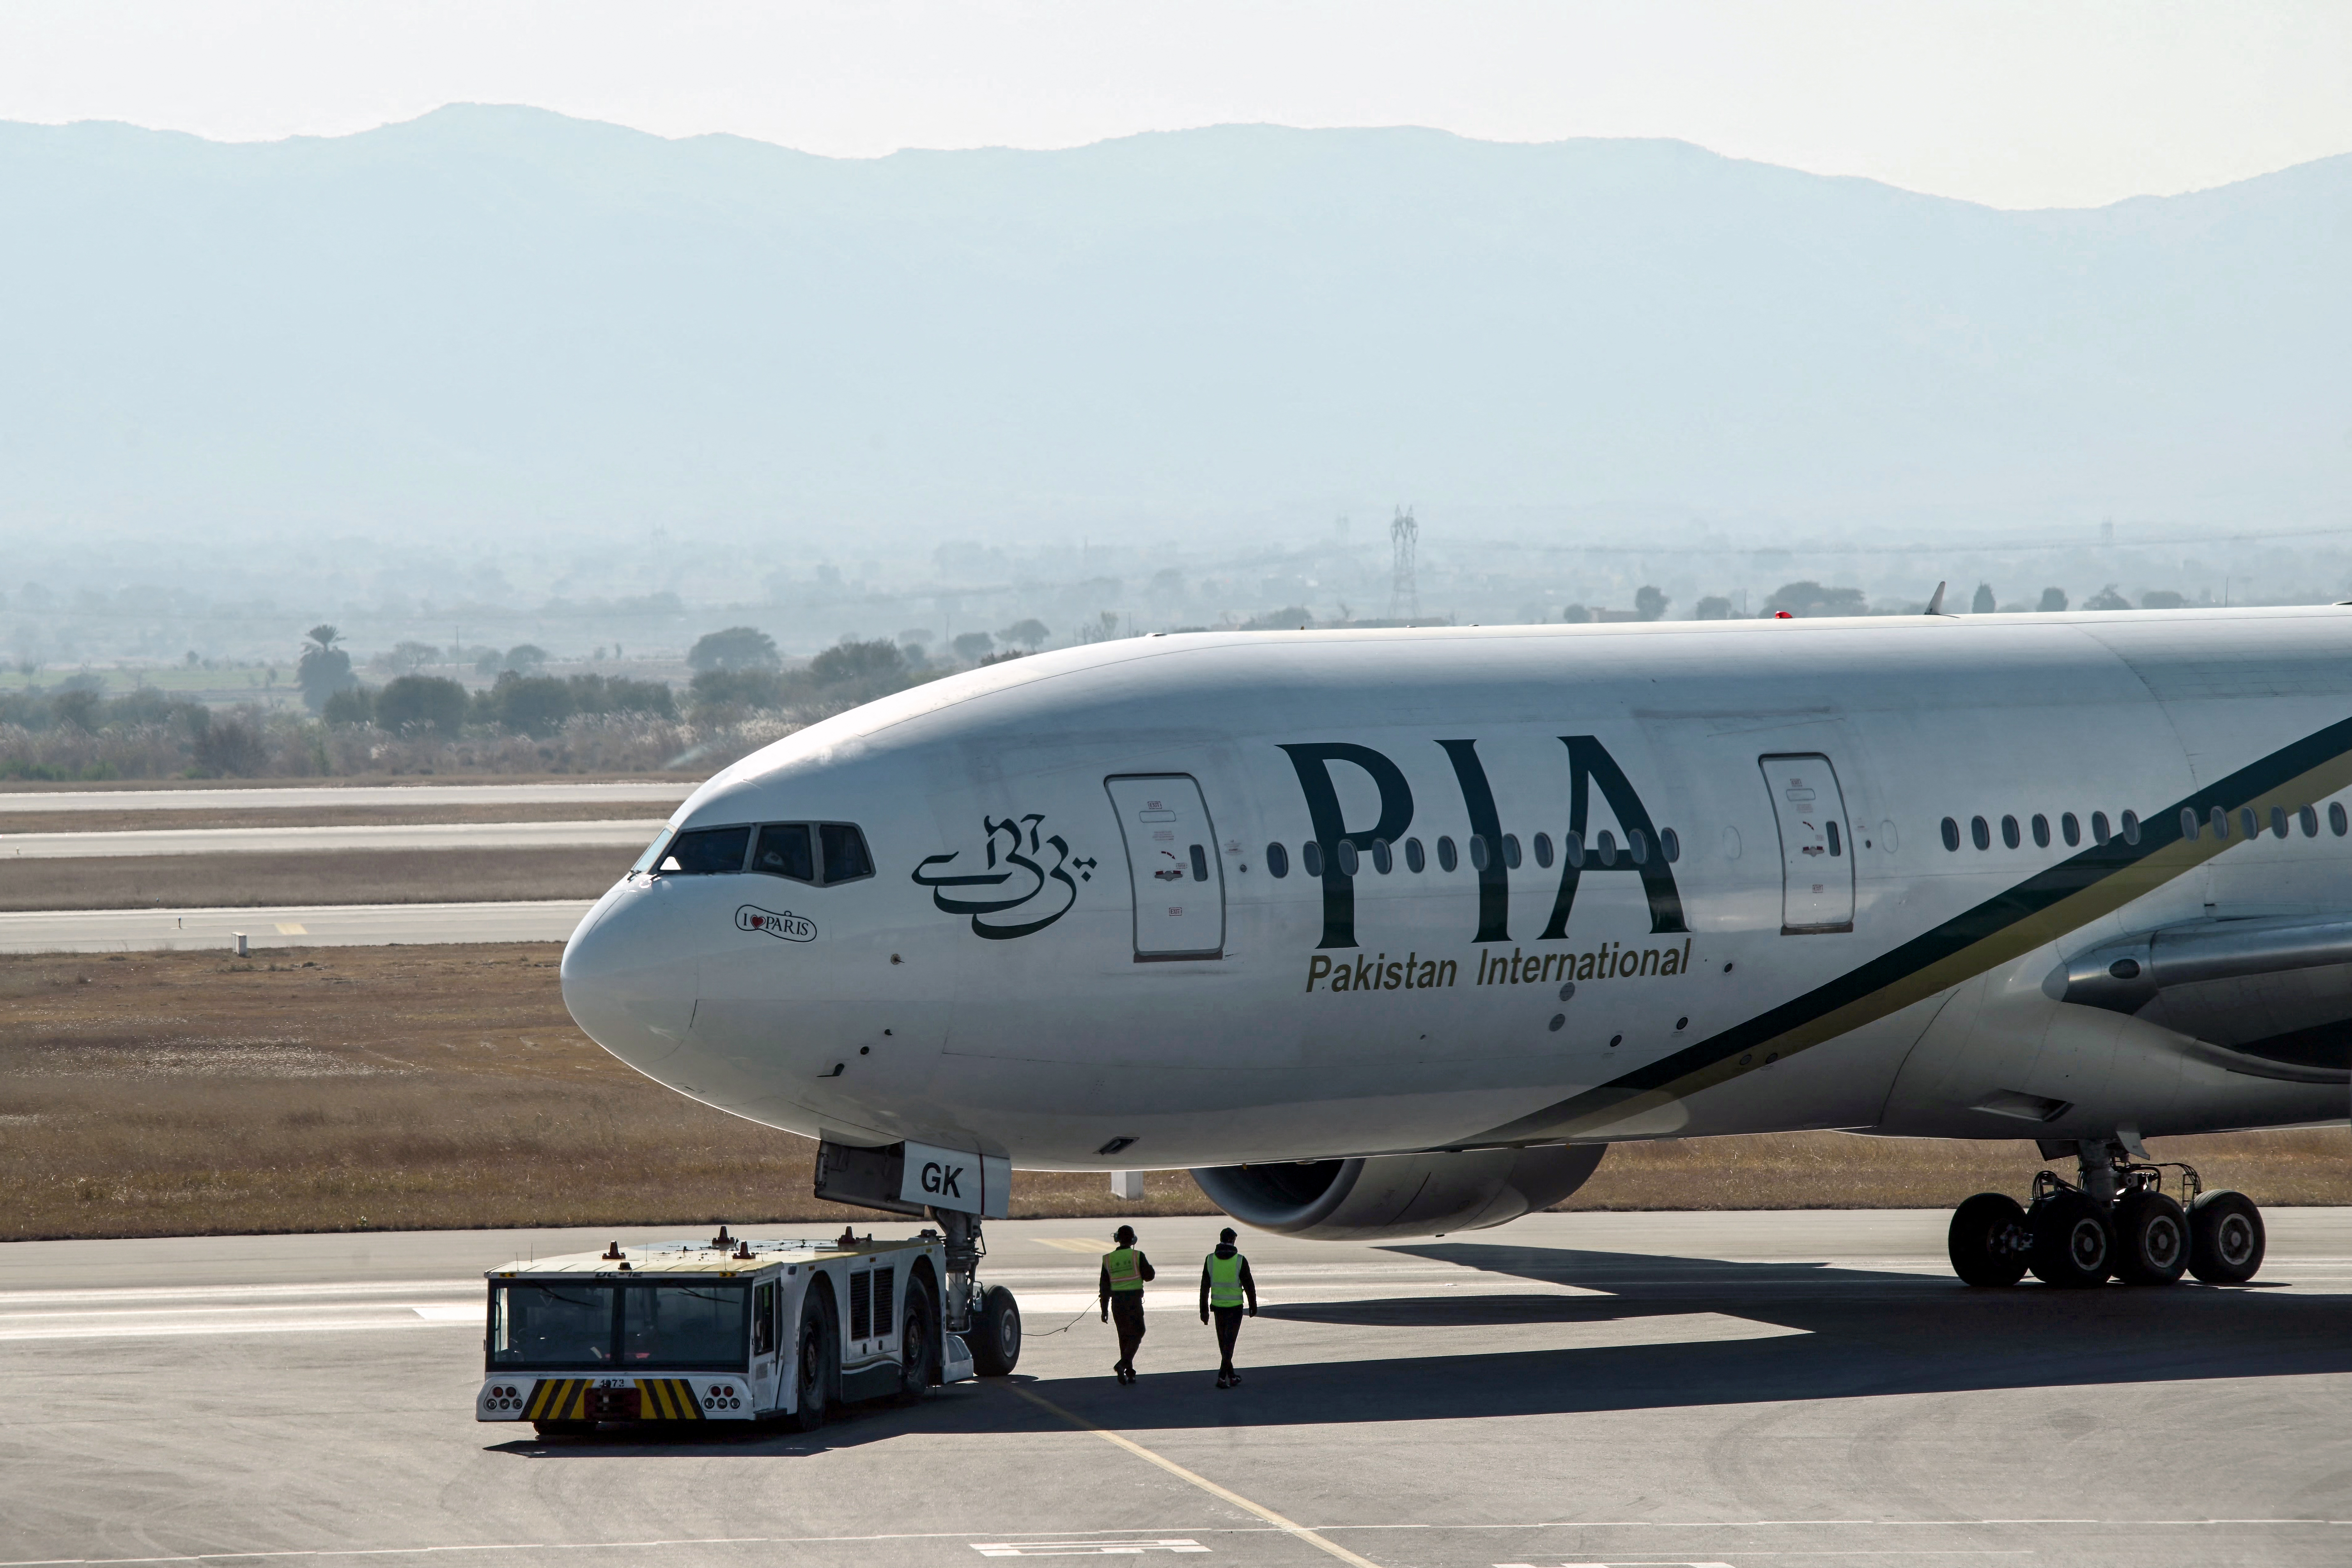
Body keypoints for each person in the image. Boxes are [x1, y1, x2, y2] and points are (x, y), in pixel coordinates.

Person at [1198, 1227, 1258, 1388]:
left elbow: (1204, 1287)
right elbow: (1249, 1285)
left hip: (1218, 1308)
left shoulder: (1210, 1260)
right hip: (1235, 1308)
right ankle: (1222, 1377)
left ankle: (1231, 1377)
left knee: (1224, 1344)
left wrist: (1204, 1311)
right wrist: (1253, 1305)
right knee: (1229, 1344)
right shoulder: (1240, 1260)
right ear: (1233, 1241)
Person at [1098, 1224, 1155, 1383]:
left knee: (1124, 1337)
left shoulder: (1108, 1259)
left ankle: (1129, 1372)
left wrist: (1104, 1310)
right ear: (1133, 1240)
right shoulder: (1137, 1256)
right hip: (1133, 1302)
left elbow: (1104, 1287)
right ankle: (1123, 1365)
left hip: (1117, 1303)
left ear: (1117, 1239)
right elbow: (1150, 1276)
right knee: (1139, 1332)